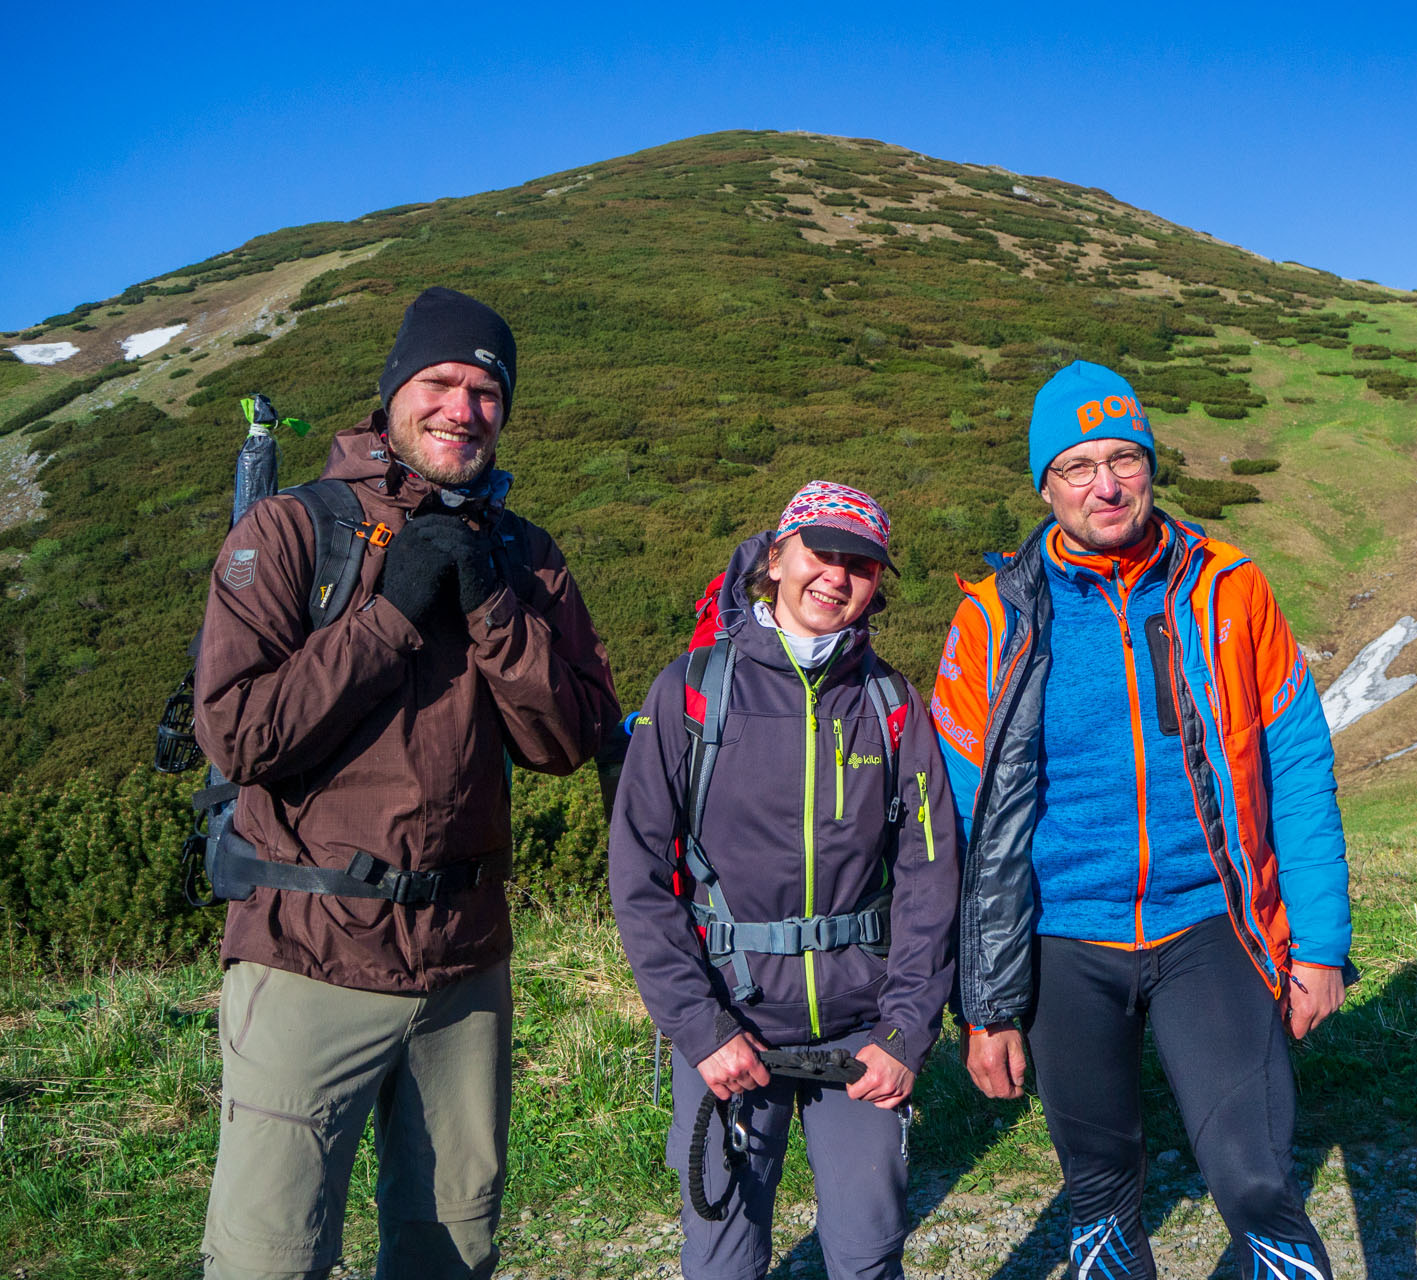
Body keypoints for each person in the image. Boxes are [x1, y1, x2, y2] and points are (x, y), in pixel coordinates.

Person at [194, 286, 619, 1279]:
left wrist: (490, 607)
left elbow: (568, 738)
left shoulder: (524, 556)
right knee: (268, 1254)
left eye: (487, 392)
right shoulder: (297, 530)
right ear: (393, 390)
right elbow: (242, 733)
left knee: (450, 1250)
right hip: (307, 955)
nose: (462, 409)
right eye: (441, 382)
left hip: (463, 966)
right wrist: (385, 621)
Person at [930, 361, 1353, 1280]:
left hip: (1211, 924)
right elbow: (963, 828)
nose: (1107, 484)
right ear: (1045, 486)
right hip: (1061, 940)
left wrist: (1318, 945)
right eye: (1079, 467)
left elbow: (1300, 771)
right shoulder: (994, 617)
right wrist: (983, 1003)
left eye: (1125, 458)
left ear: (1154, 468)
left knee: (1258, 1189)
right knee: (1103, 1200)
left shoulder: (1230, 590)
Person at [609, 482, 961, 1280]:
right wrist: (700, 1030)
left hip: (861, 1036)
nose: (837, 577)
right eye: (821, 553)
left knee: (867, 1256)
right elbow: (637, 876)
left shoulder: (894, 705)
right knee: (723, 1261)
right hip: (730, 1031)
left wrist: (905, 1033)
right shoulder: (692, 691)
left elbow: (929, 881)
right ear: (776, 558)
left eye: (862, 565)